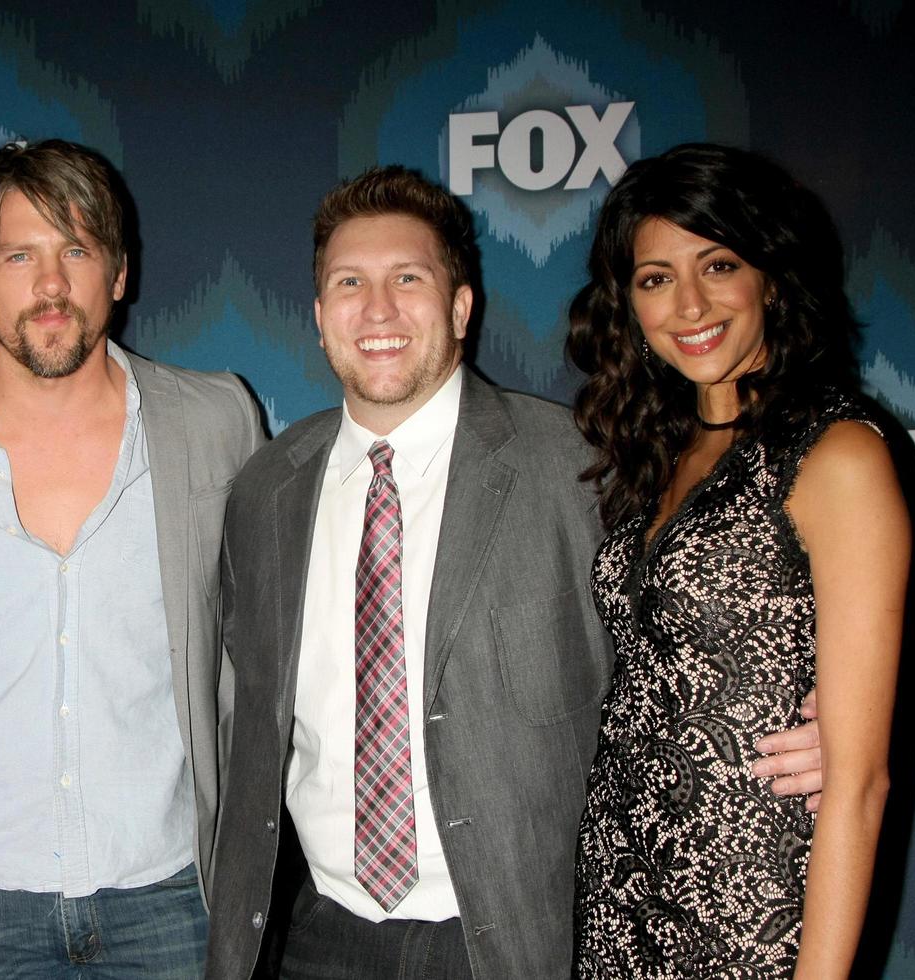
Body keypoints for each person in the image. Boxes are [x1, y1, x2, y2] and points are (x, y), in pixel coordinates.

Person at [205, 166, 829, 979]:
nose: (380, 309)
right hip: (320, 935)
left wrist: (823, 722)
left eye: (409, 278)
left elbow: (693, 640)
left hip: (516, 940)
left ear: (461, 308)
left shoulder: (585, 468)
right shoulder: (264, 489)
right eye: (350, 283)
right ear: (321, 318)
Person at [0, 139, 263, 977]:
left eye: (76, 250)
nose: (49, 285)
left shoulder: (216, 423)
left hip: (172, 897)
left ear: (117, 273)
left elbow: (256, 657)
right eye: (19, 255)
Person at [565, 143, 906, 978]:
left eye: (717, 264)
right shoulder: (660, 456)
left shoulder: (836, 455)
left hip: (749, 907)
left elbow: (857, 787)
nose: (689, 303)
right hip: (621, 894)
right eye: (654, 278)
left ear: (771, 277)